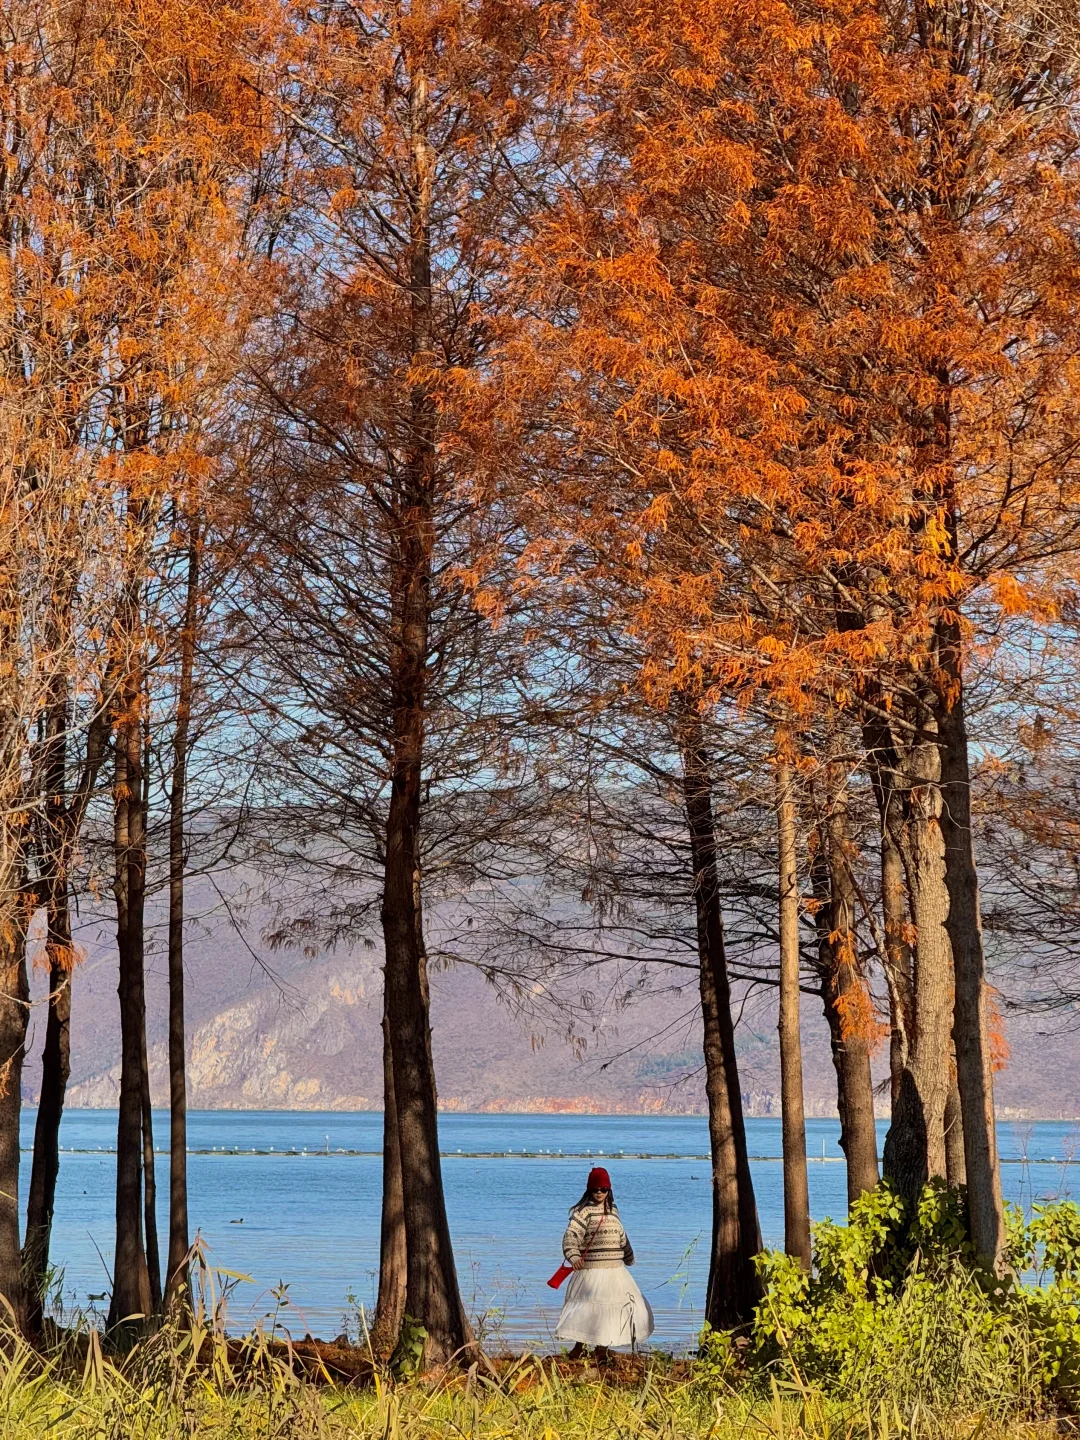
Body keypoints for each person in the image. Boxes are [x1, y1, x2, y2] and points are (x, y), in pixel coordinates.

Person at [554, 1166, 654, 1360]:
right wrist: (573, 1256)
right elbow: (570, 1236)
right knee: (586, 1309)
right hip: (591, 1270)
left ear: (609, 1190)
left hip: (615, 1270)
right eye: (595, 1189)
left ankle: (601, 1349)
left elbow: (621, 1235)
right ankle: (579, 1347)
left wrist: (629, 1256)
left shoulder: (613, 1210)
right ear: (589, 1190)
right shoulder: (583, 1212)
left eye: (603, 1189)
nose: (599, 1192)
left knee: (611, 1310)